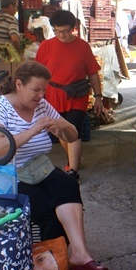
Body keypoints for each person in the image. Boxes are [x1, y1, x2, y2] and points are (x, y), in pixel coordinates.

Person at [0, 60, 108, 270]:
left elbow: (72, 136)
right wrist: (34, 129)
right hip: (8, 174)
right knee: (45, 208)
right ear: (19, 85)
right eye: (36, 90)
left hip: (38, 168)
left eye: (44, 90)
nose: (41, 95)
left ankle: (79, 254)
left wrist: (65, 127)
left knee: (68, 185)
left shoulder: (41, 106)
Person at [35, 10, 104, 181]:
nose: (61, 35)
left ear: (73, 28)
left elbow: (93, 73)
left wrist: (98, 97)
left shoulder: (82, 46)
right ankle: (75, 157)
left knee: (73, 129)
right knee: (58, 130)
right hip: (53, 94)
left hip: (77, 95)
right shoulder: (46, 46)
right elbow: (38, 73)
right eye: (57, 31)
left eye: (65, 31)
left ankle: (72, 171)